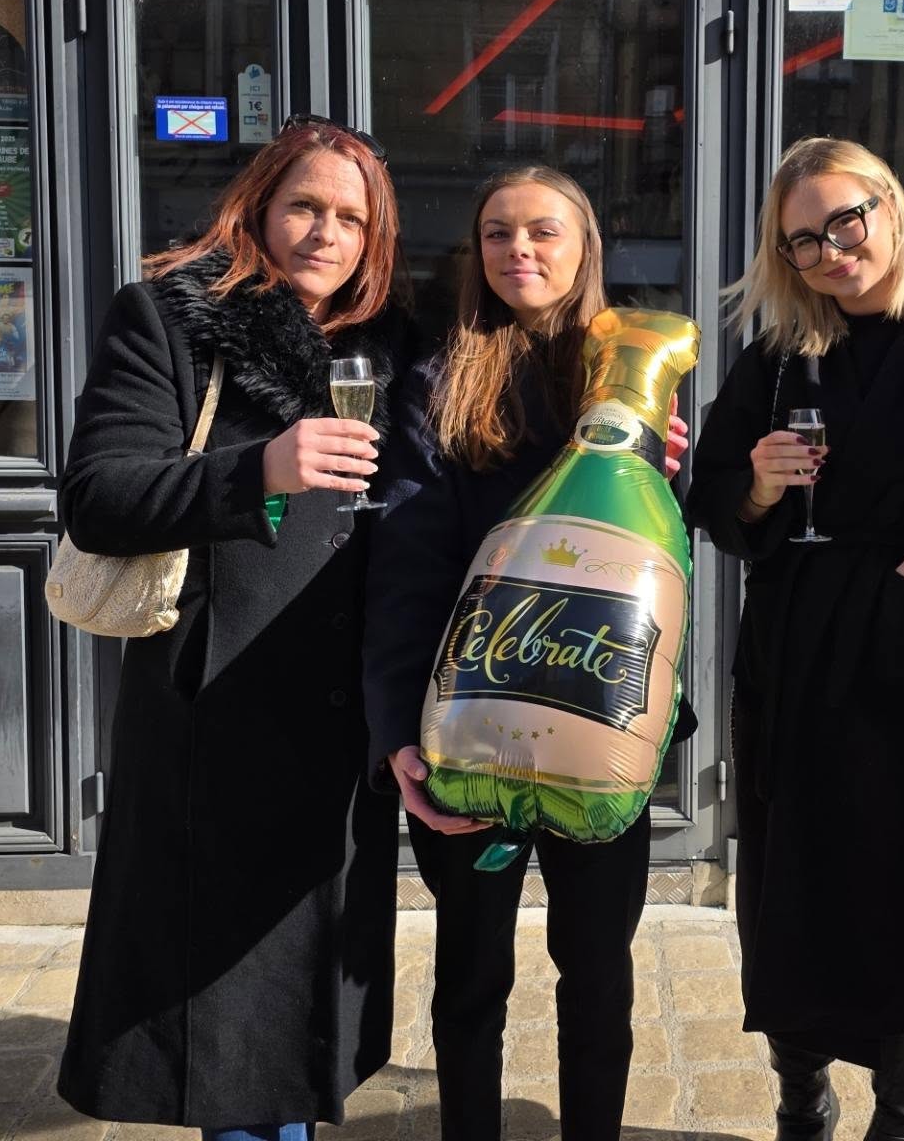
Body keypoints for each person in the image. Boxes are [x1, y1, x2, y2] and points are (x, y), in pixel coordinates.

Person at [57, 118, 408, 1141]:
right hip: (219, 713)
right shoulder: (172, 319)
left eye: (352, 218)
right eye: (305, 206)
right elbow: (100, 497)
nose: (327, 233)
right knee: (229, 1021)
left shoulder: (392, 342)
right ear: (257, 207)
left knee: (303, 1002)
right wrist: (260, 470)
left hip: (346, 716)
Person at [685, 137, 904, 1141]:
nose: (829, 252)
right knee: (796, 895)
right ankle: (802, 1098)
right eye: (802, 240)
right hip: (798, 659)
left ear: (890, 207)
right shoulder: (780, 354)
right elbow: (711, 497)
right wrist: (758, 486)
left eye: (844, 222)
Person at [361, 164, 691, 1141]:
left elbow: (663, 556)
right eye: (498, 232)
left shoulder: (634, 372)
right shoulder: (438, 379)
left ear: (585, 247)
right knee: (470, 976)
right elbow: (404, 567)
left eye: (544, 231)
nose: (520, 250)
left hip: (598, 721)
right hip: (474, 724)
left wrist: (676, 472)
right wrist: (398, 730)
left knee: (597, 974)